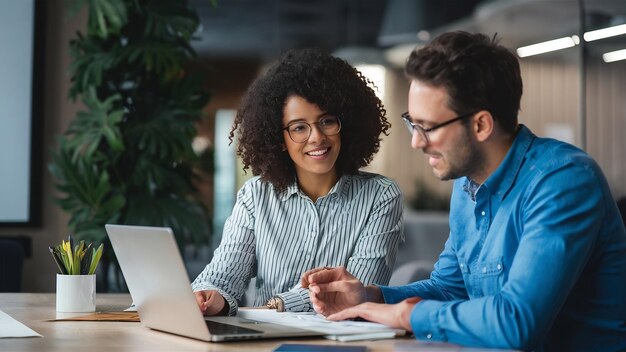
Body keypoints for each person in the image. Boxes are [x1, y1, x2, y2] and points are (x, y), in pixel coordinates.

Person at [301, 31, 626, 351]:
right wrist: (371, 297)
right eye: (412, 123)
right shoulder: (467, 185)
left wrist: (405, 314)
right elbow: (450, 287)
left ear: (481, 125)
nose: (416, 141)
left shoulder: (563, 181)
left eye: (427, 127)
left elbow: (517, 322)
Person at [192, 48, 404, 316]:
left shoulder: (381, 196)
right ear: (279, 139)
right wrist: (211, 297)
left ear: (346, 124)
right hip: (264, 339)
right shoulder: (256, 195)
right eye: (299, 127)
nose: (316, 137)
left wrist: (277, 305)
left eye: (327, 121)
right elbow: (223, 277)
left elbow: (354, 292)